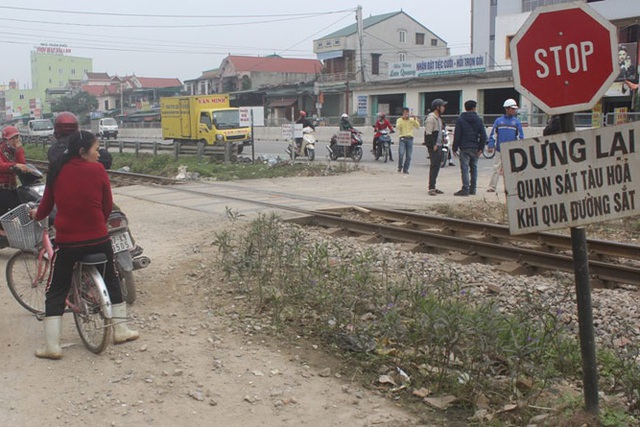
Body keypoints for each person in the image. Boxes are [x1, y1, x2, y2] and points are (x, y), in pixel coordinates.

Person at [32, 130, 139, 360]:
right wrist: (96, 223)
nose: (98, 152)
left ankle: (52, 347)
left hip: (68, 243)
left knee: (56, 289)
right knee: (111, 278)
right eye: (96, 148)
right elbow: (107, 206)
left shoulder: (57, 171)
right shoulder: (98, 170)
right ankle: (120, 330)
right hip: (99, 240)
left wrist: (35, 215)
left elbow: (45, 207)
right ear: (82, 151)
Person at [486, 98, 524, 193]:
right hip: (499, 149)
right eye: (512, 109)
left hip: (512, 150)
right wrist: (491, 145)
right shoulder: (499, 121)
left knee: (512, 170)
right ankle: (492, 187)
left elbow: (520, 136)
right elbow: (493, 135)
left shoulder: (516, 122)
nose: (514, 111)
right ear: (506, 109)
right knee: (496, 168)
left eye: (515, 109)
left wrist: (519, 148)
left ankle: (511, 187)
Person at [452, 100, 487, 196]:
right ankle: (473, 189)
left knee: (465, 168)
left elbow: (457, 135)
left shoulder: (461, 119)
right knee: (474, 168)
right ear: (474, 108)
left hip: (464, 147)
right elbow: (483, 135)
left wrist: (454, 148)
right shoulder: (479, 120)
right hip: (475, 147)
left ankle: (465, 189)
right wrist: (481, 148)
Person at [0, 126, 30, 218]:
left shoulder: (15, 151)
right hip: (1, 186)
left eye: (17, 137)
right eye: (12, 138)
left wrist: (19, 150)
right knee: (8, 210)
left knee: (21, 207)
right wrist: (14, 165)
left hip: (12, 185)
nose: (16, 140)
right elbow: (1, 166)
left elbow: (22, 164)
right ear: (5, 140)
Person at [424, 99, 447, 194]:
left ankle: (434, 185)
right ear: (437, 107)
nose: (443, 108)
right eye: (442, 106)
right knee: (434, 166)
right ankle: (431, 187)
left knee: (437, 166)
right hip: (434, 146)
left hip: (439, 144)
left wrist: (443, 139)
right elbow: (428, 133)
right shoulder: (431, 118)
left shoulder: (439, 118)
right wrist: (433, 144)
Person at [395, 107, 420, 174]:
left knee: (408, 156)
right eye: (404, 112)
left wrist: (415, 119)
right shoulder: (399, 120)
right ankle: (400, 167)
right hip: (402, 138)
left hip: (410, 138)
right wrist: (403, 119)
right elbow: (397, 128)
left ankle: (406, 169)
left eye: (407, 112)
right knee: (401, 153)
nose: (406, 114)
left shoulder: (411, 120)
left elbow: (417, 126)